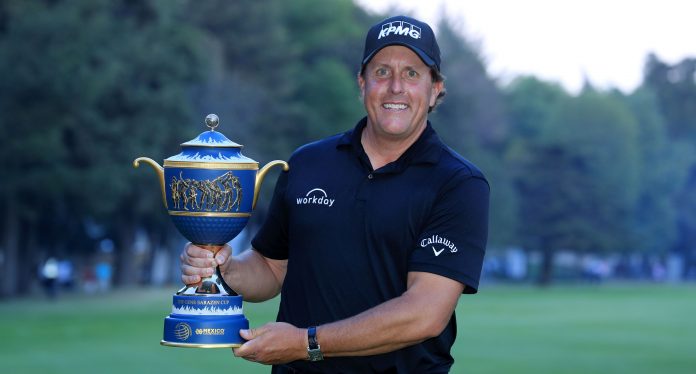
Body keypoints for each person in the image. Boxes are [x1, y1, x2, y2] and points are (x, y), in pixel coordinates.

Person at [181, 15, 489, 373]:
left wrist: (305, 343)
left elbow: (424, 314)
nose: (395, 87)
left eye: (412, 74)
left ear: (435, 88)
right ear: (362, 83)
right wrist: (224, 267)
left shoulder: (458, 183)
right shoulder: (308, 162)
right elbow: (270, 267)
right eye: (382, 72)